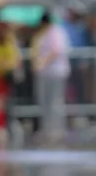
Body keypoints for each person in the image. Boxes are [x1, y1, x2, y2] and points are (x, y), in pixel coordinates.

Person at [32, 11, 71, 145]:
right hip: (46, 73)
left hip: (55, 72)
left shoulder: (55, 32)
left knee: (55, 102)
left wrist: (43, 62)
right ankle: (47, 129)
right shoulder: (43, 33)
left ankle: (57, 130)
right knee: (46, 102)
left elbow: (56, 50)